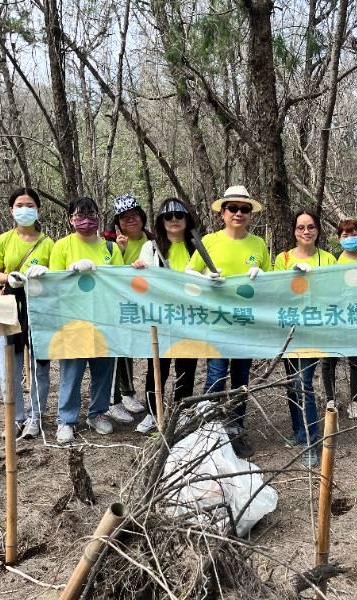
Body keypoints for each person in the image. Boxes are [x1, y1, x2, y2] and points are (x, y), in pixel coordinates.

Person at [186, 185, 271, 458]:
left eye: (244, 209)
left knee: (241, 377)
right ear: (222, 213)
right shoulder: (209, 241)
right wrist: (205, 279)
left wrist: (262, 275)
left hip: (245, 322)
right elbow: (189, 273)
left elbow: (270, 281)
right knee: (215, 374)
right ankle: (210, 430)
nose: (238, 213)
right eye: (232, 208)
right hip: (217, 321)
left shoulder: (258, 244)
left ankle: (235, 428)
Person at [49, 196, 124, 444]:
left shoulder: (110, 248)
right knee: (72, 371)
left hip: (104, 317)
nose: (86, 220)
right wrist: (72, 272)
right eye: (80, 215)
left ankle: (98, 413)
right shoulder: (61, 246)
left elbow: (119, 281)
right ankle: (66, 420)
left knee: (103, 369)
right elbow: (54, 281)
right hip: (73, 319)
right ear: (71, 220)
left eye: (91, 214)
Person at [0, 187, 54, 438]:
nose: (25, 210)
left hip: (39, 307)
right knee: (8, 363)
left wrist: (44, 274)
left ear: (38, 210)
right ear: (11, 210)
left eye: (30, 205)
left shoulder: (48, 243)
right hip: (8, 306)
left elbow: (56, 272)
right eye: (19, 206)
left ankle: (36, 416)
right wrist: (10, 278)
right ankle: (15, 417)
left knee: (39, 364)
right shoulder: (3, 240)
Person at [273, 210, 336, 466]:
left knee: (304, 383)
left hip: (316, 330)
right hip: (289, 330)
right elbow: (276, 291)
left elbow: (337, 292)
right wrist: (292, 277)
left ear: (318, 230)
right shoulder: (283, 258)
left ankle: (312, 443)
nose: (306, 232)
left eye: (310, 227)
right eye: (301, 227)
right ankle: (300, 433)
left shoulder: (329, 259)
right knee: (292, 384)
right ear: (294, 231)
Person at [132, 198, 199, 434]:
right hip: (160, 316)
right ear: (161, 220)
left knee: (187, 366)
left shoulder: (197, 246)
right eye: (168, 217)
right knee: (157, 366)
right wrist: (140, 268)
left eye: (178, 216)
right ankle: (153, 412)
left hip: (189, 316)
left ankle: (181, 411)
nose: (173, 221)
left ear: (186, 218)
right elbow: (144, 282)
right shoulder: (150, 247)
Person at [105, 194, 148, 425]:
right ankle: (115, 400)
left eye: (133, 215)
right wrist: (120, 251)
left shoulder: (152, 239)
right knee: (118, 348)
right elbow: (109, 271)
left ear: (142, 217)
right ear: (117, 221)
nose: (130, 220)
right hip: (118, 302)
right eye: (124, 216)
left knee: (131, 347)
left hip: (144, 301)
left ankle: (129, 391)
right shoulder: (109, 242)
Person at [321, 218, 357, 420]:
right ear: (339, 239)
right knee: (329, 360)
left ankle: (354, 402)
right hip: (335, 316)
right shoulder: (333, 261)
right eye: (344, 235)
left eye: (353, 234)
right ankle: (331, 399)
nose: (349, 238)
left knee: (355, 361)